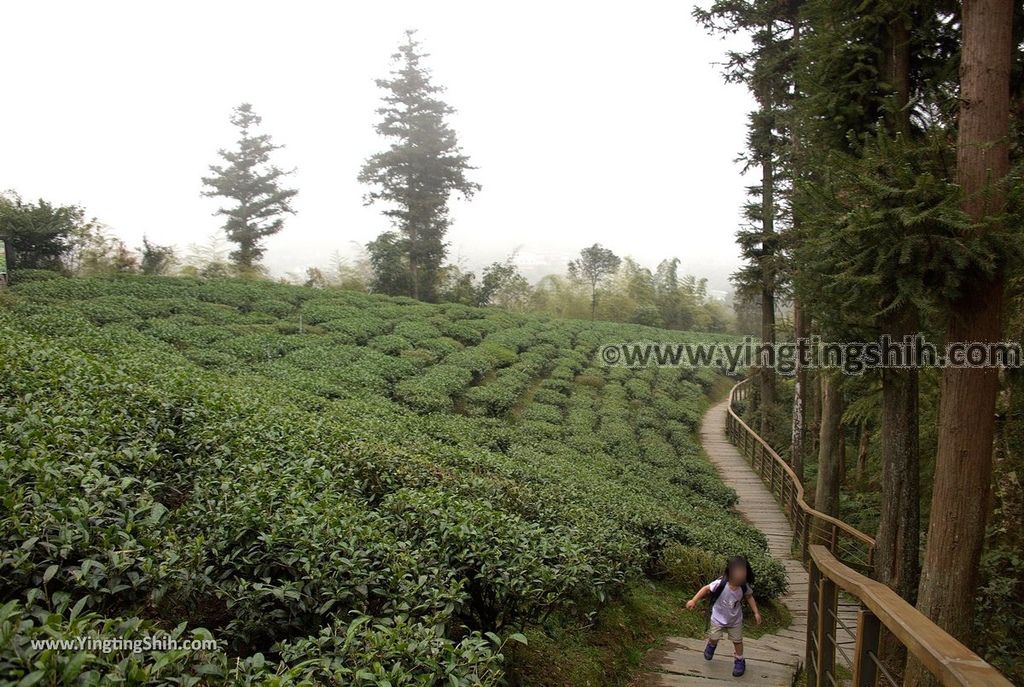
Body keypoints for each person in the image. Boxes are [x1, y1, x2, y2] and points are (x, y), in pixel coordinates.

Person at [685, 555, 762, 677]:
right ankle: (711, 645)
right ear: (730, 572)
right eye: (738, 572)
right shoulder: (721, 583)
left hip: (735, 619)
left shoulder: (744, 587)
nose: (741, 576)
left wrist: (756, 612)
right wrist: (694, 600)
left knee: (738, 641)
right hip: (718, 618)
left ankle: (739, 660)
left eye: (744, 573)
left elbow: (749, 597)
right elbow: (706, 589)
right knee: (714, 637)